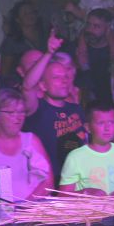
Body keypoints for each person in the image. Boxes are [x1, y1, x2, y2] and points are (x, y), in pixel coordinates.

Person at [0, 89, 53, 202]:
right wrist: (2, 207)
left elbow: (48, 182)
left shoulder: (31, 141)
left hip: (29, 209)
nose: (18, 117)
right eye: (11, 113)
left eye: (21, 112)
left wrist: (25, 206)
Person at [22, 34, 87, 183]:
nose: (64, 81)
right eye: (57, 78)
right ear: (43, 85)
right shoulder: (37, 109)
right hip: (49, 183)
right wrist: (48, 53)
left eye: (65, 77)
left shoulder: (75, 108)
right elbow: (27, 86)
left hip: (77, 181)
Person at [58, 101, 114, 197]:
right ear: (88, 127)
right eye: (101, 123)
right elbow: (63, 195)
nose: (107, 128)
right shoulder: (75, 157)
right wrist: (85, 192)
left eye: (111, 122)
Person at [75, 8, 114, 105]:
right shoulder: (84, 35)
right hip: (88, 78)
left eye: (96, 26)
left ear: (107, 28)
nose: (90, 29)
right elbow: (82, 58)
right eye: (88, 24)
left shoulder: (112, 37)